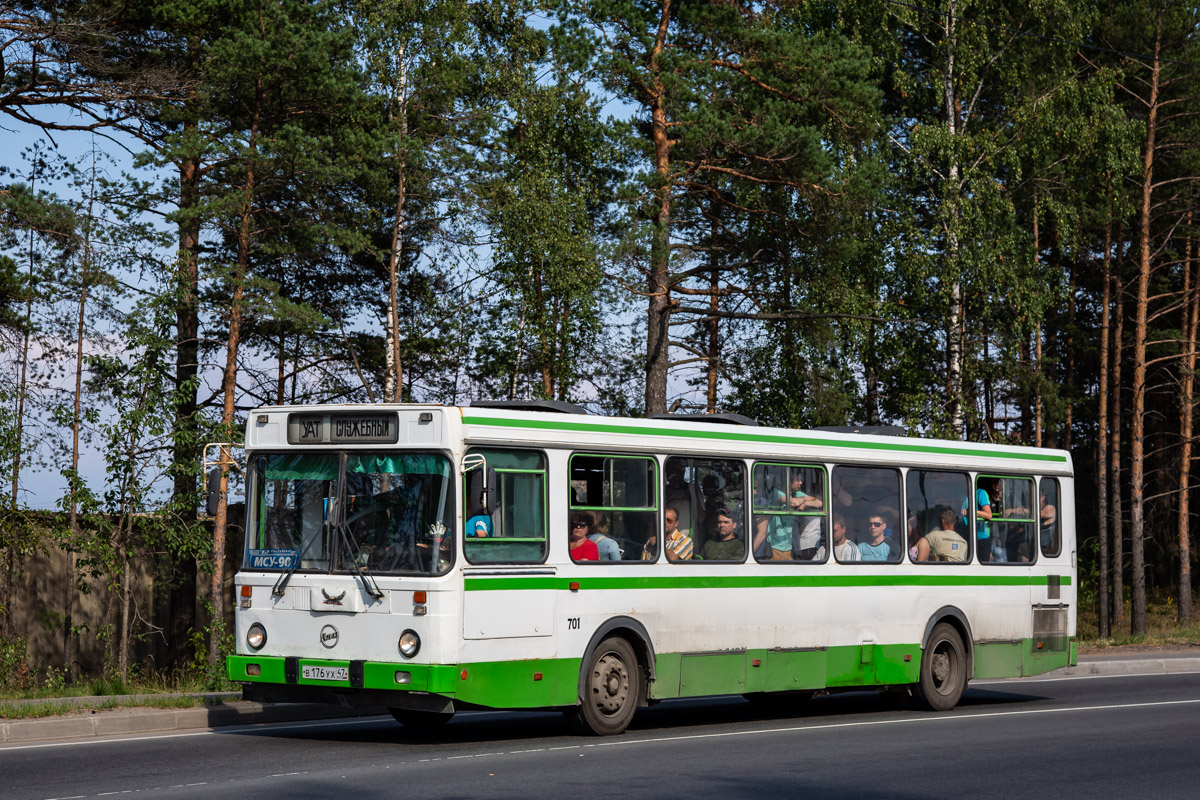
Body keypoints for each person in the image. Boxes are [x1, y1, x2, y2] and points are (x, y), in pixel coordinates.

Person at [964, 482, 994, 561]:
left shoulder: (980, 493)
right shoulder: (962, 494)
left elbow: (988, 515)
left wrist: (970, 511)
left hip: (981, 540)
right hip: (967, 538)